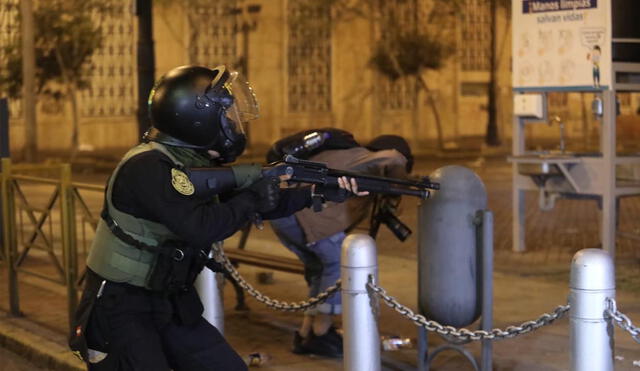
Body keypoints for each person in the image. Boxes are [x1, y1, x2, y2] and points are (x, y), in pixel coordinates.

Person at [68, 66, 364, 371]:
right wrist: (253, 197)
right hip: (121, 306)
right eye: (225, 117)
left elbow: (256, 204)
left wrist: (321, 193)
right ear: (195, 118)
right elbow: (202, 227)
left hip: (169, 299)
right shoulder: (147, 166)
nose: (233, 125)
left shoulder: (191, 162)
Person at [267, 129, 414, 358]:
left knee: (320, 269)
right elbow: (394, 157)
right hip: (302, 215)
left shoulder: (351, 158)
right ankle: (321, 332)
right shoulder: (367, 157)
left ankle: (306, 334)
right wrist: (400, 183)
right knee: (337, 263)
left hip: (284, 213)